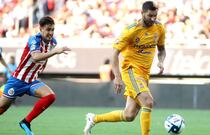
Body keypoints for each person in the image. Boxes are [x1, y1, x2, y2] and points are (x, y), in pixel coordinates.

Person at [84, 1, 166, 135]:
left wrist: (161, 61)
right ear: (142, 13)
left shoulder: (159, 28)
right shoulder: (131, 30)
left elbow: (162, 50)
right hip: (131, 71)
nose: (153, 19)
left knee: (129, 115)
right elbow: (114, 54)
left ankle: (94, 118)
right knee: (148, 101)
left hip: (144, 75)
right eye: (150, 16)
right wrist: (117, 76)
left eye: (155, 16)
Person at [0, 16, 71, 135]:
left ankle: (25, 122)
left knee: (50, 96)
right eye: (48, 30)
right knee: (2, 107)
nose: (51, 33)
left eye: (53, 30)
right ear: (41, 29)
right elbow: (35, 56)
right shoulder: (34, 39)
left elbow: (45, 57)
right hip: (18, 80)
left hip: (31, 80)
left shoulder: (53, 42)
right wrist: (55, 52)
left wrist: (42, 68)